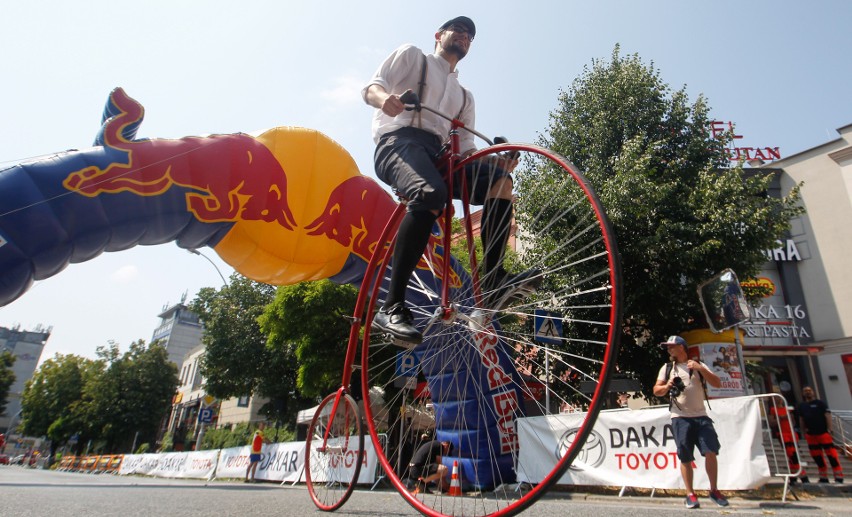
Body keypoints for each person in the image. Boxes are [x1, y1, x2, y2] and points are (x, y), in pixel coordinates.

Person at [362, 16, 539, 344]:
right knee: (431, 194)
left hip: (442, 158)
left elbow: (467, 152)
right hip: (399, 143)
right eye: (457, 29)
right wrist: (383, 99)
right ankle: (391, 307)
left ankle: (495, 277)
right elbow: (373, 85)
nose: (464, 36)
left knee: (500, 181)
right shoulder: (413, 57)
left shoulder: (464, 96)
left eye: (470, 35)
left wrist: (500, 161)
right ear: (439, 35)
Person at [653, 335, 728, 509]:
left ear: (681, 347)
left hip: (701, 416)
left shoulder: (697, 365)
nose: (669, 349)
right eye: (668, 347)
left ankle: (714, 490)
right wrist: (667, 386)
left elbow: (717, 383)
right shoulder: (666, 368)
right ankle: (690, 494)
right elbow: (657, 390)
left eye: (672, 346)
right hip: (680, 418)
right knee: (685, 456)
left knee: (711, 451)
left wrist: (700, 368)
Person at [797, 386, 844, 483]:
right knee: (817, 456)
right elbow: (801, 419)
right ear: (803, 394)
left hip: (823, 433)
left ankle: (838, 476)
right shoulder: (802, 406)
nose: (807, 392)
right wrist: (803, 431)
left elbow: (827, 415)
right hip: (811, 435)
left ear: (813, 392)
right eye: (805, 391)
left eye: (809, 391)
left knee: (831, 455)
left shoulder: (820, 403)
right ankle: (823, 477)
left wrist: (830, 428)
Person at [767, 403, 807, 483]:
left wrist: (790, 418)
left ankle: (793, 476)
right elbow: (772, 423)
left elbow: (793, 422)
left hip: (791, 434)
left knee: (793, 455)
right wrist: (780, 418)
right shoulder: (772, 410)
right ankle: (803, 475)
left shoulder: (788, 409)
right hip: (782, 434)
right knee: (792, 454)